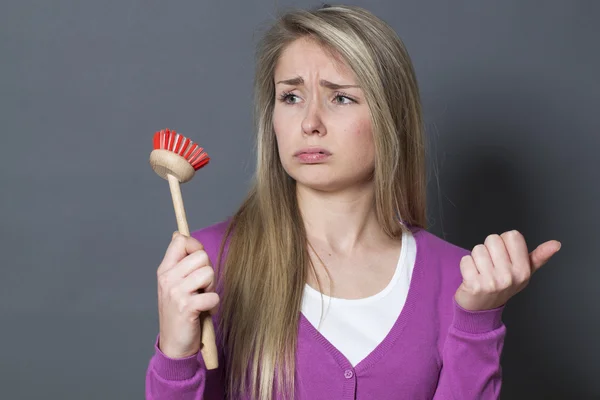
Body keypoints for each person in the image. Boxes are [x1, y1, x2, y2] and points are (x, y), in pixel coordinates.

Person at [145, 4, 561, 400]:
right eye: (291, 97)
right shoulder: (207, 265)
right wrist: (176, 357)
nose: (309, 123)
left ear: (389, 118)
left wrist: (477, 321)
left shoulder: (459, 279)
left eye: (340, 97)